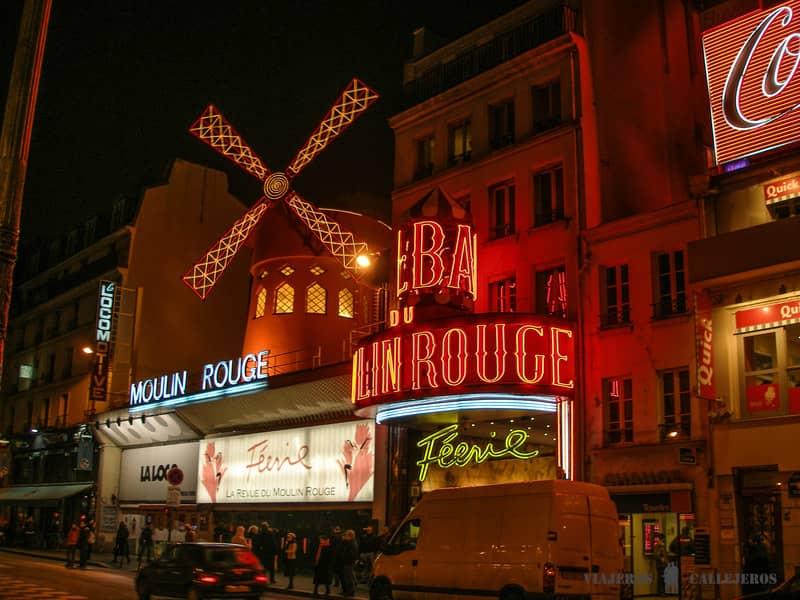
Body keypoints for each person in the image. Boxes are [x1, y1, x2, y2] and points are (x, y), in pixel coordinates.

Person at [340, 529, 359, 597]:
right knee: (347, 577)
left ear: (350, 536)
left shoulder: (352, 543)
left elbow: (352, 554)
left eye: (346, 535)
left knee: (349, 578)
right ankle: (348, 591)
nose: (345, 536)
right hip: (347, 562)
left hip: (349, 562)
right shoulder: (350, 542)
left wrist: (345, 555)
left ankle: (350, 592)